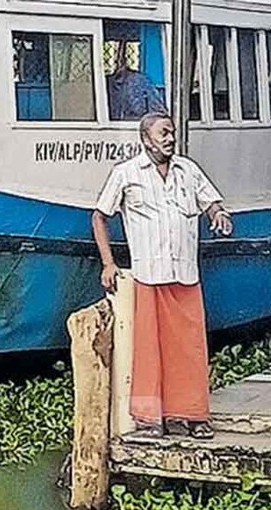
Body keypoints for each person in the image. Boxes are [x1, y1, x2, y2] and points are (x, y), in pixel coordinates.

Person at [91, 112, 234, 439]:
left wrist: (219, 214)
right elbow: (99, 216)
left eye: (171, 133)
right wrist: (108, 263)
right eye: (163, 133)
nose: (170, 139)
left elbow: (211, 202)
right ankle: (151, 418)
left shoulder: (188, 170)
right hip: (149, 274)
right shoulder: (126, 173)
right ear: (146, 139)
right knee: (150, 350)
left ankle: (194, 416)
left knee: (190, 349)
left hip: (185, 274)